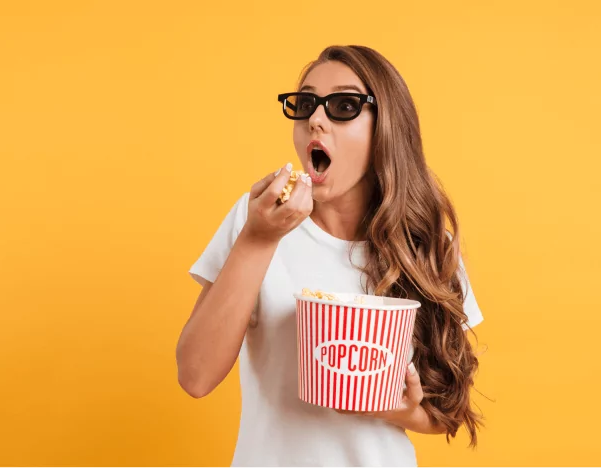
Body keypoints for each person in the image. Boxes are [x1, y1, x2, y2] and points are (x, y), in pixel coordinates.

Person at [176, 44, 485, 468]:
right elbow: (195, 376)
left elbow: (447, 409)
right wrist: (258, 239)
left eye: (343, 105)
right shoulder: (257, 220)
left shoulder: (425, 243)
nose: (315, 119)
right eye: (305, 104)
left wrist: (401, 411)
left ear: (386, 128)